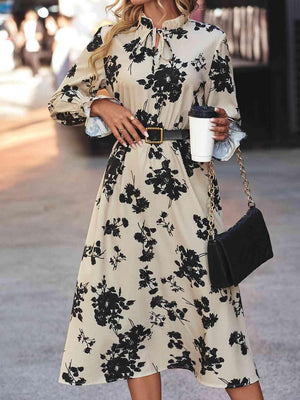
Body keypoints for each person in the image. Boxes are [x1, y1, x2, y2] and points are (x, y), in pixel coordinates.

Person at [48, 1, 264, 399]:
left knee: (216, 308)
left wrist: (221, 124)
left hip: (188, 185)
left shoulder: (209, 39)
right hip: (126, 192)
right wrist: (99, 104)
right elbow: (61, 102)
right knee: (134, 313)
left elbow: (229, 115)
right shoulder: (110, 38)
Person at [51, 14, 76, 88]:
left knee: (59, 73)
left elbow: (54, 45)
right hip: (69, 54)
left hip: (59, 54)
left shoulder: (61, 31)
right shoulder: (73, 30)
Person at [19, 10, 44, 77]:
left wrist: (32, 36)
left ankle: (36, 73)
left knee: (34, 60)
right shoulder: (24, 24)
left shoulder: (38, 24)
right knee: (27, 58)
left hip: (35, 45)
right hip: (27, 45)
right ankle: (34, 72)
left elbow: (40, 35)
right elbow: (22, 33)